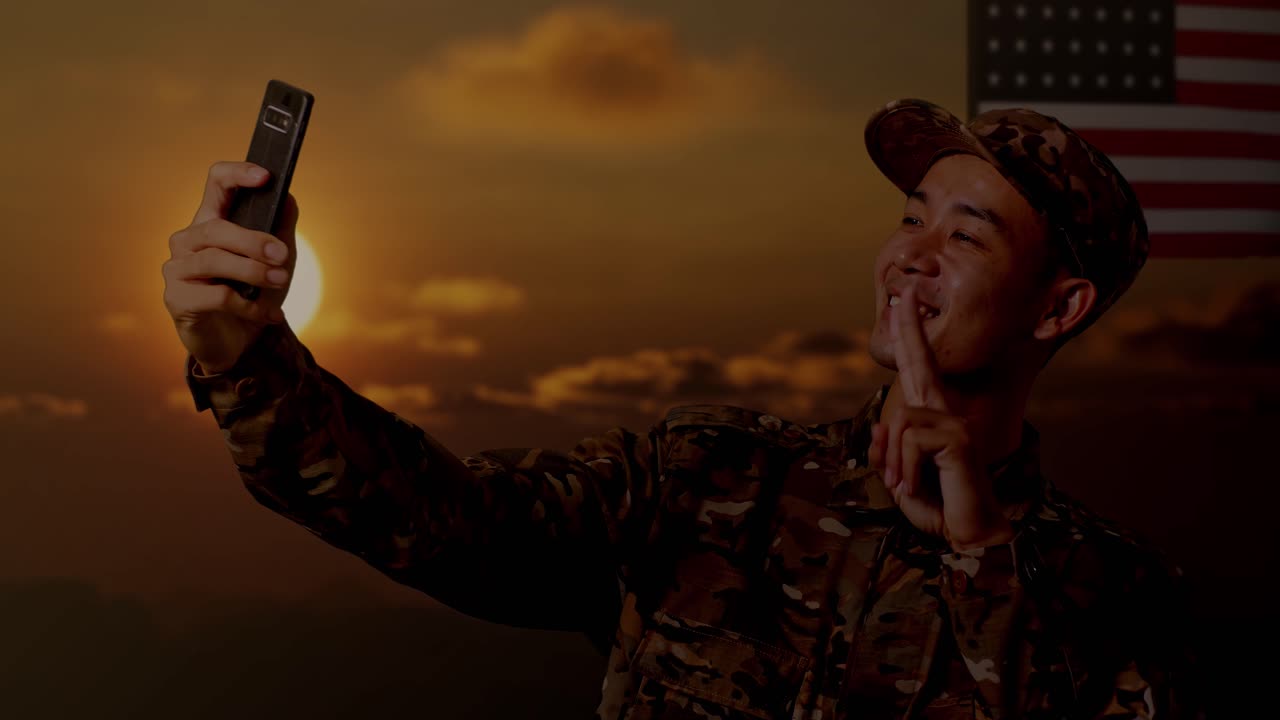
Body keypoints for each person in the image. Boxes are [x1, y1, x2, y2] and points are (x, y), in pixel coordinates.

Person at [162, 98, 1201, 719]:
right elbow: (443, 522)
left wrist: (976, 553)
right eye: (907, 217)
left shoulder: (1115, 595)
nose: (907, 256)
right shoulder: (709, 474)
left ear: (1057, 308)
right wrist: (246, 356)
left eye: (965, 237)